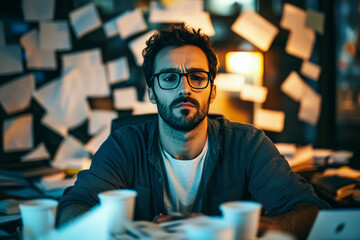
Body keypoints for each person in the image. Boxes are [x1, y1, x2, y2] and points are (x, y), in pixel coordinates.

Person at [56, 23, 330, 239]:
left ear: (212, 91)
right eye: (169, 77)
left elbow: (314, 211)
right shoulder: (123, 146)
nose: (184, 89)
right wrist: (129, 234)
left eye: (197, 77)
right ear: (151, 92)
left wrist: (237, 229)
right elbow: (72, 208)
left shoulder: (249, 145)